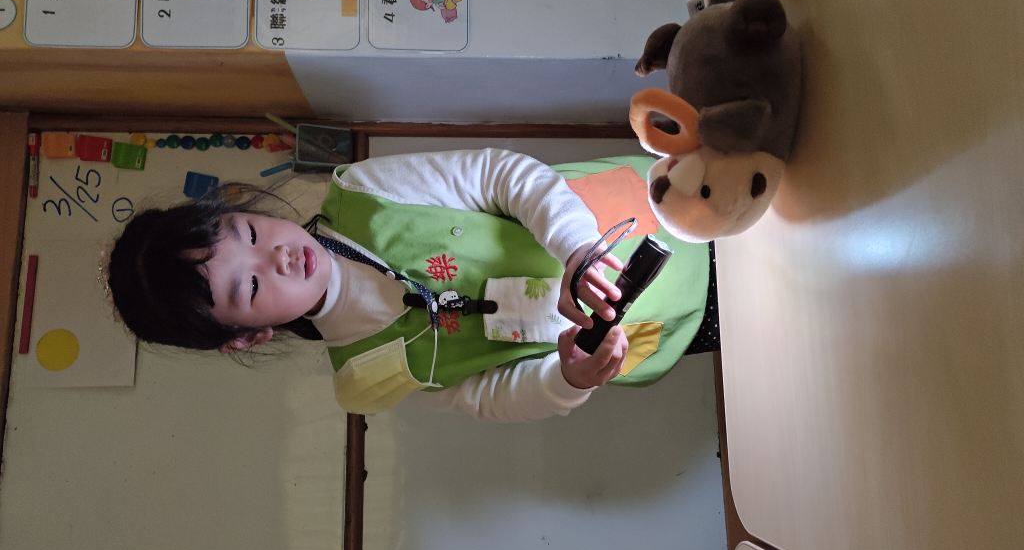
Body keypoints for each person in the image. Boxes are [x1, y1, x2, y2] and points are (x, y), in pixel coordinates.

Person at [107, 149, 711, 421]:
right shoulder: (363, 377)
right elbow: (490, 399)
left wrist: (576, 248)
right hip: (660, 328)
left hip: (650, 212)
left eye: (249, 231)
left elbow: (503, 176)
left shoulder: (365, 193)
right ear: (246, 337)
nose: (279, 257)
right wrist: (568, 381)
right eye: (250, 287)